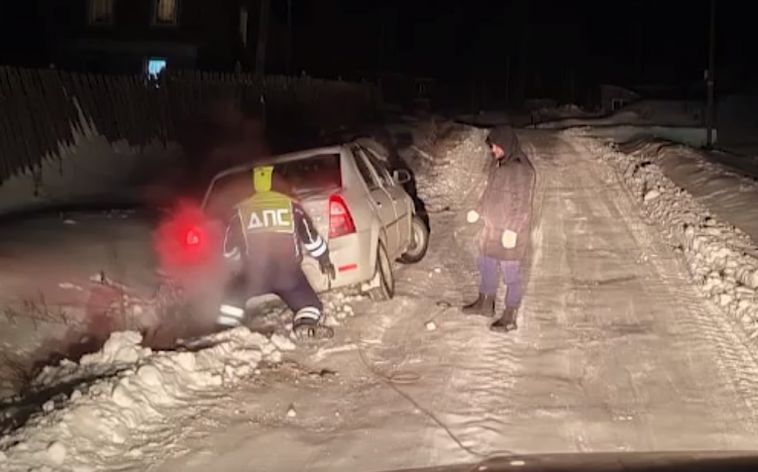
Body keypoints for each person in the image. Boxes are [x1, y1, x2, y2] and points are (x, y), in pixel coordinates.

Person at [218, 165, 336, 340]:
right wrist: (324, 259)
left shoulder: (240, 211)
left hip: (253, 275)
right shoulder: (292, 207)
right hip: (288, 275)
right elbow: (310, 239)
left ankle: (226, 333)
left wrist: (235, 268)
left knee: (231, 301)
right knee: (310, 305)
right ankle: (305, 323)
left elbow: (228, 249)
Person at [462, 125, 536, 332]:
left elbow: (522, 205)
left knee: (511, 273)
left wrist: (513, 230)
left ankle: (510, 315)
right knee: (486, 263)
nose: (493, 151)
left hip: (509, 233)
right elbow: (488, 194)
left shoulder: (521, 168)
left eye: (495, 147)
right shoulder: (498, 166)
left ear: (506, 144)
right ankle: (485, 303)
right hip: (492, 228)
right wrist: (478, 211)